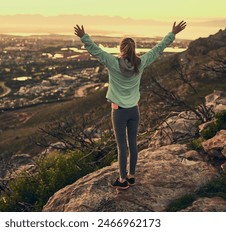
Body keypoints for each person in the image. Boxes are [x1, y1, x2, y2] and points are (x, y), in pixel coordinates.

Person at [74, 21, 187, 190]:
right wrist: (172, 34)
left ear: (121, 49)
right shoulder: (140, 63)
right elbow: (158, 49)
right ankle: (132, 176)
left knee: (121, 147)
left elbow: (96, 50)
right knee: (133, 144)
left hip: (118, 112)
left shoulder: (113, 63)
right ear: (134, 49)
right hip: (134, 110)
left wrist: (84, 37)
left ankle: (122, 180)